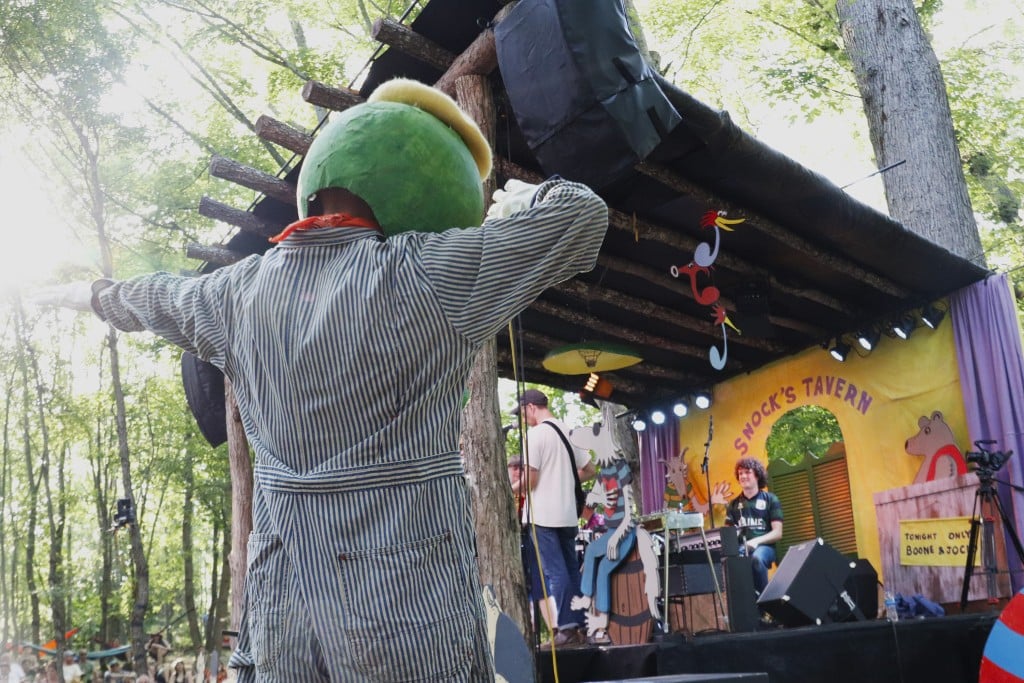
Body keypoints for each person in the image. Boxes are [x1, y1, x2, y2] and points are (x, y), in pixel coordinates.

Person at [34, 78, 608, 680]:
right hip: (405, 604)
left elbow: (151, 297)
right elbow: (582, 215)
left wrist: (88, 294)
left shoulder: (235, 293)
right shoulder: (431, 275)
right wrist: (531, 200)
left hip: (285, 597)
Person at [512, 388, 596, 647]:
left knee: (555, 572)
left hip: (544, 516)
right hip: (568, 515)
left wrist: (509, 489)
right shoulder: (567, 431)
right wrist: (561, 479)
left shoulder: (535, 435)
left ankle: (567, 630)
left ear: (530, 407)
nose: (522, 418)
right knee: (571, 570)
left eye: (522, 412)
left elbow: (532, 479)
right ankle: (582, 627)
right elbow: (589, 470)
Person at [724, 457, 784, 597]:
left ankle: (765, 605)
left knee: (756, 559)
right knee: (730, 563)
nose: (743, 476)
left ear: (757, 475)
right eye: (740, 473)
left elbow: (777, 533)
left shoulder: (771, 499)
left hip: (765, 548)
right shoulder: (733, 505)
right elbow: (728, 535)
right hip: (741, 549)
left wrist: (756, 541)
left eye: (747, 472)